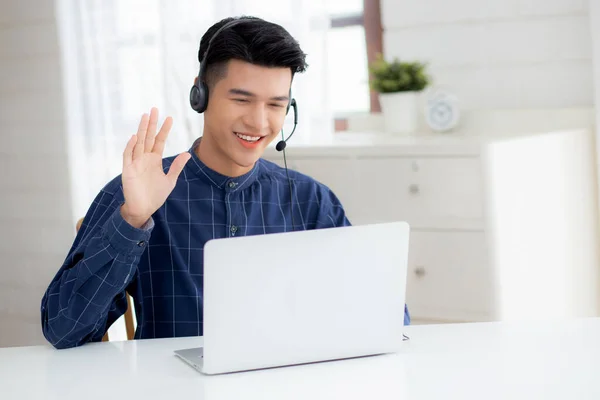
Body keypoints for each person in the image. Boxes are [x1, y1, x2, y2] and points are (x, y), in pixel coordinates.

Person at [40, 16, 410, 349]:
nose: (259, 123)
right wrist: (132, 219)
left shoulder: (311, 200)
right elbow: (63, 330)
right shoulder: (138, 192)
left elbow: (385, 316)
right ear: (200, 95)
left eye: (275, 105)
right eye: (241, 99)